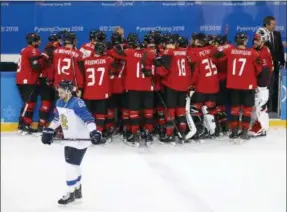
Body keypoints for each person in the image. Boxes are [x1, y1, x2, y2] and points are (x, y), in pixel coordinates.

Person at [41, 80, 102, 205]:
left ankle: (71, 192)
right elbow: (58, 118)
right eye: (59, 92)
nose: (59, 95)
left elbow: (88, 118)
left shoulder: (77, 103)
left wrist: (94, 131)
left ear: (69, 91)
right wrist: (49, 129)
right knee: (74, 165)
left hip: (80, 140)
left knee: (70, 166)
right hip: (69, 139)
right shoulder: (59, 102)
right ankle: (77, 189)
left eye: (62, 92)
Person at [214, 32, 262, 141]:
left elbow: (217, 55)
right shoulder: (253, 53)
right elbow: (258, 70)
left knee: (235, 109)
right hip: (248, 85)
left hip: (233, 85)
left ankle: (234, 131)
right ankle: (244, 132)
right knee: (247, 110)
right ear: (245, 41)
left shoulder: (230, 50)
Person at [156, 34, 191, 143]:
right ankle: (182, 132)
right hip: (184, 85)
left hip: (171, 85)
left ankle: (169, 134)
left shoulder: (168, 52)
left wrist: (157, 67)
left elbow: (163, 71)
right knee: (181, 109)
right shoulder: (184, 51)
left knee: (170, 110)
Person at [187, 33, 220, 138]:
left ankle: (200, 130)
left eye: (193, 39)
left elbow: (194, 71)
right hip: (214, 84)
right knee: (210, 108)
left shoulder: (193, 52)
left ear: (197, 41)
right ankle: (214, 130)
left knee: (196, 108)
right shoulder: (212, 49)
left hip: (201, 85)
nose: (191, 41)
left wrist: (190, 84)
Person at [83, 42, 116, 139]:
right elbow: (115, 69)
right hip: (102, 92)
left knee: (89, 114)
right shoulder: (108, 59)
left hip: (88, 92)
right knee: (101, 114)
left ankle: (89, 132)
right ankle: (99, 133)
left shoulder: (85, 60)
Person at [16, 32, 45, 134]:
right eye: (38, 40)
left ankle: (26, 124)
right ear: (33, 42)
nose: (40, 42)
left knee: (30, 103)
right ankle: (23, 125)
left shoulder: (25, 49)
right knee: (28, 103)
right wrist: (43, 59)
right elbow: (35, 66)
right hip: (28, 81)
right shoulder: (33, 50)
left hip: (25, 80)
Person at [249, 29, 273, 136]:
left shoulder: (263, 53)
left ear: (263, 41)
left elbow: (266, 71)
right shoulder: (258, 50)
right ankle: (257, 125)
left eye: (257, 40)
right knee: (255, 105)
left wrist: (259, 86)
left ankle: (262, 128)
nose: (255, 42)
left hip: (261, 85)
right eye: (254, 39)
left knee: (260, 105)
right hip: (257, 84)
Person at [36, 33, 61, 133]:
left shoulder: (46, 49)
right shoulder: (59, 49)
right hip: (55, 79)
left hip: (45, 78)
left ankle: (41, 125)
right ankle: (58, 127)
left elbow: (40, 64)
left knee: (46, 102)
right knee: (58, 104)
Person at [262, 16, 285, 112]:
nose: (275, 26)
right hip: (265, 67)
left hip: (275, 65)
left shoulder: (277, 34)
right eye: (273, 24)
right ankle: (265, 108)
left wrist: (282, 61)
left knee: (274, 87)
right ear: (267, 25)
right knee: (266, 88)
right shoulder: (261, 34)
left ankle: (273, 108)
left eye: (275, 24)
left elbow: (280, 49)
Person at [51, 33, 84, 97]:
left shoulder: (56, 51)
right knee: (71, 106)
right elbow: (79, 72)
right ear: (73, 41)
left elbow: (53, 68)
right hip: (71, 86)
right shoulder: (78, 54)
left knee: (59, 106)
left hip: (58, 85)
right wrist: (80, 86)